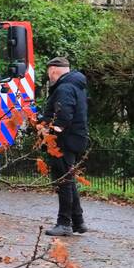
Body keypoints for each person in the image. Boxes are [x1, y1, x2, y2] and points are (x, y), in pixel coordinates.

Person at [40, 57, 90, 236]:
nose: (49, 76)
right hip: (75, 138)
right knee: (68, 179)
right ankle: (78, 221)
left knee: (64, 181)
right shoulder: (76, 85)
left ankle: (64, 223)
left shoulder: (64, 88)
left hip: (64, 141)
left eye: (49, 72)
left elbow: (64, 114)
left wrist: (51, 130)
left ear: (53, 70)